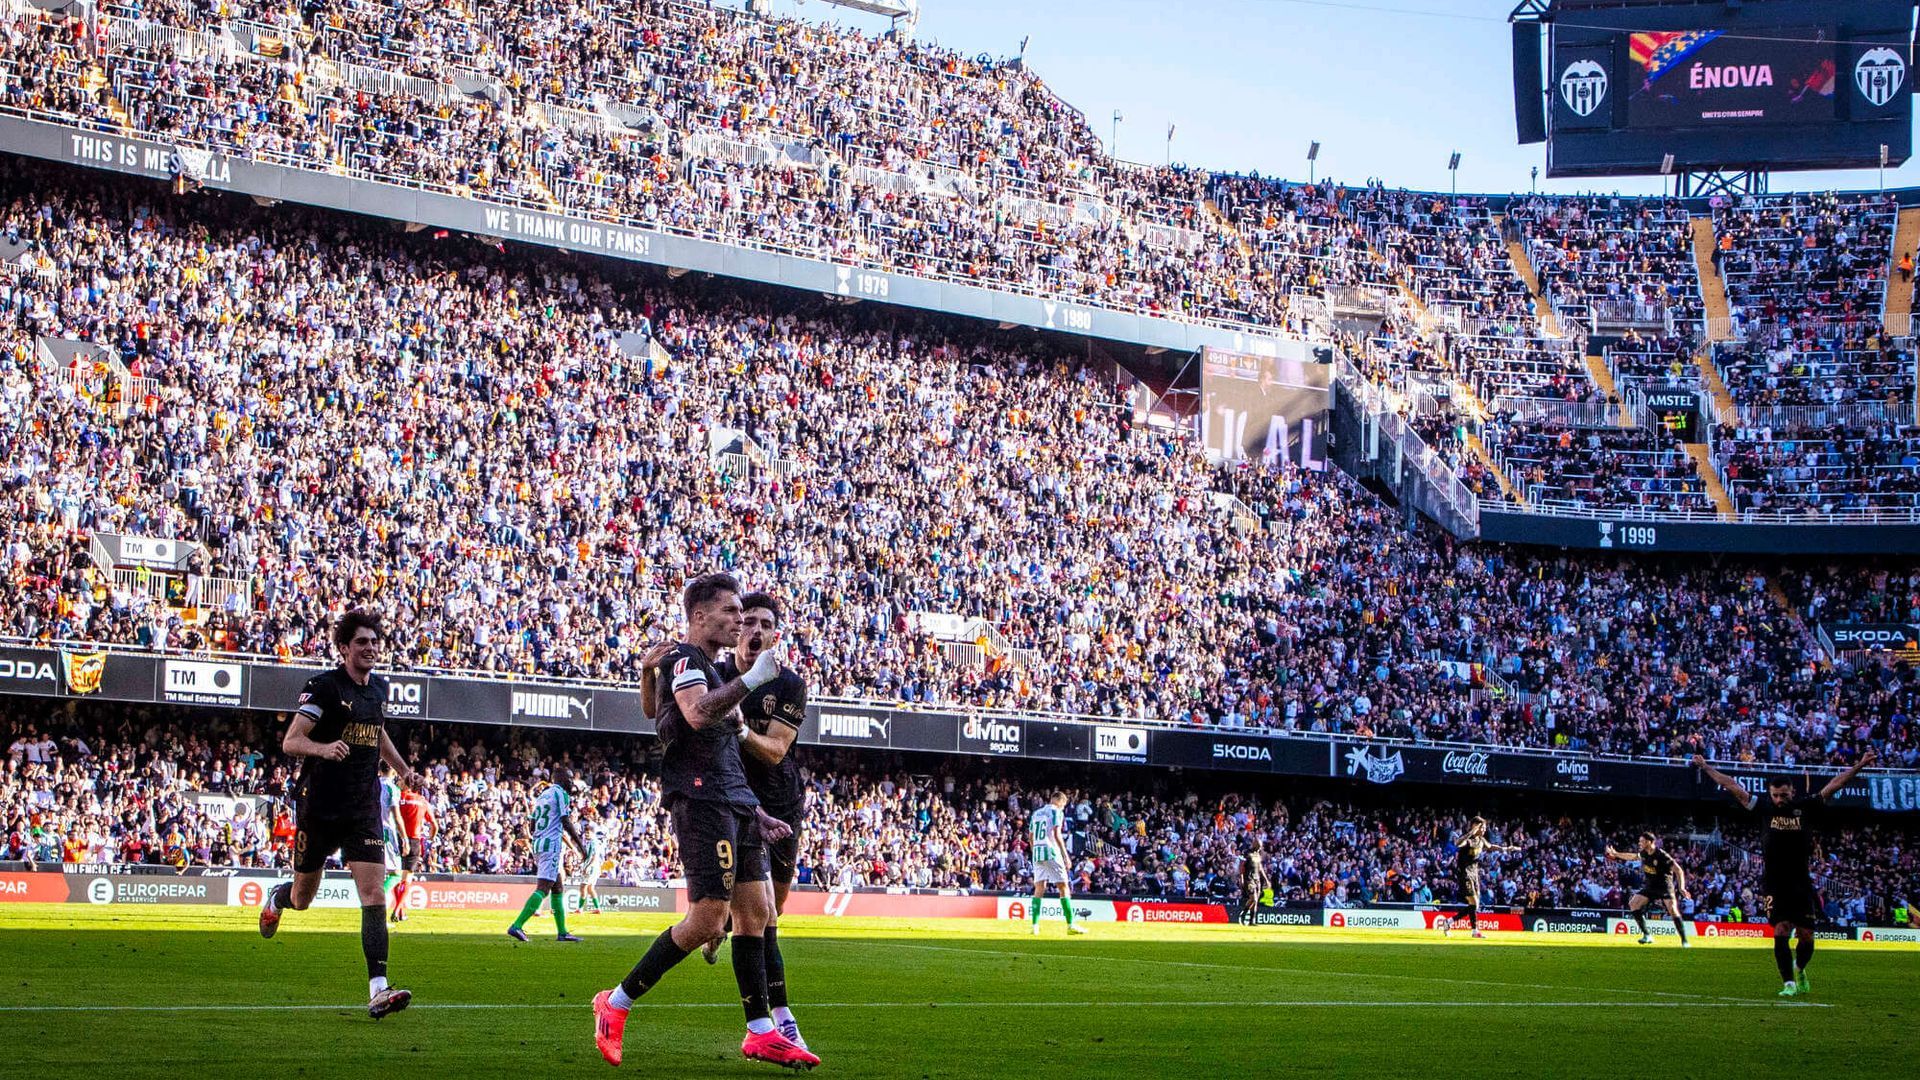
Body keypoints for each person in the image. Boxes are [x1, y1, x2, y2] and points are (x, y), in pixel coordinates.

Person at [593, 573, 818, 1070]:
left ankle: (761, 1031)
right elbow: (696, 715)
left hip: (734, 801)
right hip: (701, 800)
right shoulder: (686, 659)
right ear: (700, 616)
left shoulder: (709, 669)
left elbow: (713, 743)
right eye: (732, 612)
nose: (740, 621)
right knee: (708, 920)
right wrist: (753, 680)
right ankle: (616, 1002)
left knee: (757, 912)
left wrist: (756, 810)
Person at [257, 609, 423, 1020]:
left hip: (362, 807)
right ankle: (278, 897)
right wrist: (323, 748)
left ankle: (378, 990)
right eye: (361, 642)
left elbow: (377, 732)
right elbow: (291, 741)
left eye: (374, 642)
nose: (370, 648)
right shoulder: (325, 687)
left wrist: (403, 770)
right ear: (344, 648)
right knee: (302, 898)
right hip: (320, 806)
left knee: (374, 894)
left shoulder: (378, 689)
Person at [1694, 751, 1876, 997]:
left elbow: (1835, 784)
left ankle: (1799, 968)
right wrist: (1706, 767)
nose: (1779, 799)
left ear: (1793, 792)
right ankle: (1788, 983)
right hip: (1775, 882)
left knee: (1806, 936)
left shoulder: (1805, 808)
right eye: (1776, 795)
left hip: (1801, 882)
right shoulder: (1764, 808)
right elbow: (1732, 785)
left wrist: (1860, 765)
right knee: (1780, 930)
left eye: (1784, 795)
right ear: (1771, 794)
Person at [508, 766, 587, 942]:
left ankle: (562, 932)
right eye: (569, 778)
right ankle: (517, 926)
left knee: (557, 887)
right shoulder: (561, 793)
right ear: (561, 779)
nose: (571, 781)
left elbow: (533, 824)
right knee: (543, 888)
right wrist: (580, 845)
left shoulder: (543, 795)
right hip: (550, 845)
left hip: (539, 844)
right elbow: (565, 820)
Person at [1605, 832, 1690, 946]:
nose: (1639, 843)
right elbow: (1632, 856)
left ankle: (1684, 941)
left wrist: (1681, 888)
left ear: (1649, 842)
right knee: (1633, 903)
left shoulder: (1662, 855)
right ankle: (1647, 935)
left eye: (1642, 841)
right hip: (1650, 886)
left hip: (1664, 886)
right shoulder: (1644, 853)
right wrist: (1616, 854)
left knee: (1673, 910)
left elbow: (1678, 870)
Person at [1438, 816, 1516, 939]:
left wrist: (1506, 849)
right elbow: (1458, 843)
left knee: (1475, 905)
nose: (1484, 830)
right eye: (1482, 827)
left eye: (1484, 827)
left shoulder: (1481, 840)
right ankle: (1474, 931)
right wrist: (1471, 832)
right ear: (1475, 826)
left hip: (1474, 874)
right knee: (1474, 902)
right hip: (1465, 874)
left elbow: (1491, 846)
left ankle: (1449, 922)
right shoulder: (1469, 840)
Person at [1028, 791, 1087, 936]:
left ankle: (1035, 926)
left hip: (1037, 852)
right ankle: (1070, 925)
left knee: (1039, 887)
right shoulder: (1056, 812)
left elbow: (1030, 836)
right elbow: (1056, 833)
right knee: (1063, 886)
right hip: (1051, 851)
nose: (1063, 808)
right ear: (1060, 801)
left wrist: (1035, 851)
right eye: (1064, 805)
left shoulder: (1036, 813)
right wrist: (1065, 855)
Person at [392, 781, 435, 922]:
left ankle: (401, 911)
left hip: (398, 838)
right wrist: (431, 837)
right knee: (407, 878)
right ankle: (397, 909)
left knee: (396, 876)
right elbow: (434, 824)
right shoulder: (422, 801)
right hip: (414, 840)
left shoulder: (399, 797)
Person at [378, 764, 409, 923]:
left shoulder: (373, 784)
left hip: (372, 830)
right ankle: (377, 904)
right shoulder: (392, 788)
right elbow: (397, 817)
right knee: (396, 874)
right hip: (387, 832)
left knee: (378, 873)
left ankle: (376, 913)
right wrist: (405, 839)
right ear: (394, 770)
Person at [578, 821, 614, 914]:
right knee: (590, 888)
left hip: (592, 867)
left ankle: (580, 908)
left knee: (583, 887)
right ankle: (598, 908)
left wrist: (588, 866)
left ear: (593, 833)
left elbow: (594, 856)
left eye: (588, 833)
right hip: (595, 867)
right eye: (585, 833)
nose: (586, 834)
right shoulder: (592, 842)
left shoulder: (593, 842)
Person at [1239, 849, 1269, 925]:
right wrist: (1241, 878)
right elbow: (1242, 867)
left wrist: (1266, 880)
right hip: (1249, 879)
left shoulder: (1258, 857)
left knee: (1255, 902)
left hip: (1257, 880)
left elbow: (1260, 869)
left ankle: (1251, 921)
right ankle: (1243, 914)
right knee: (1254, 898)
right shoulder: (1248, 855)